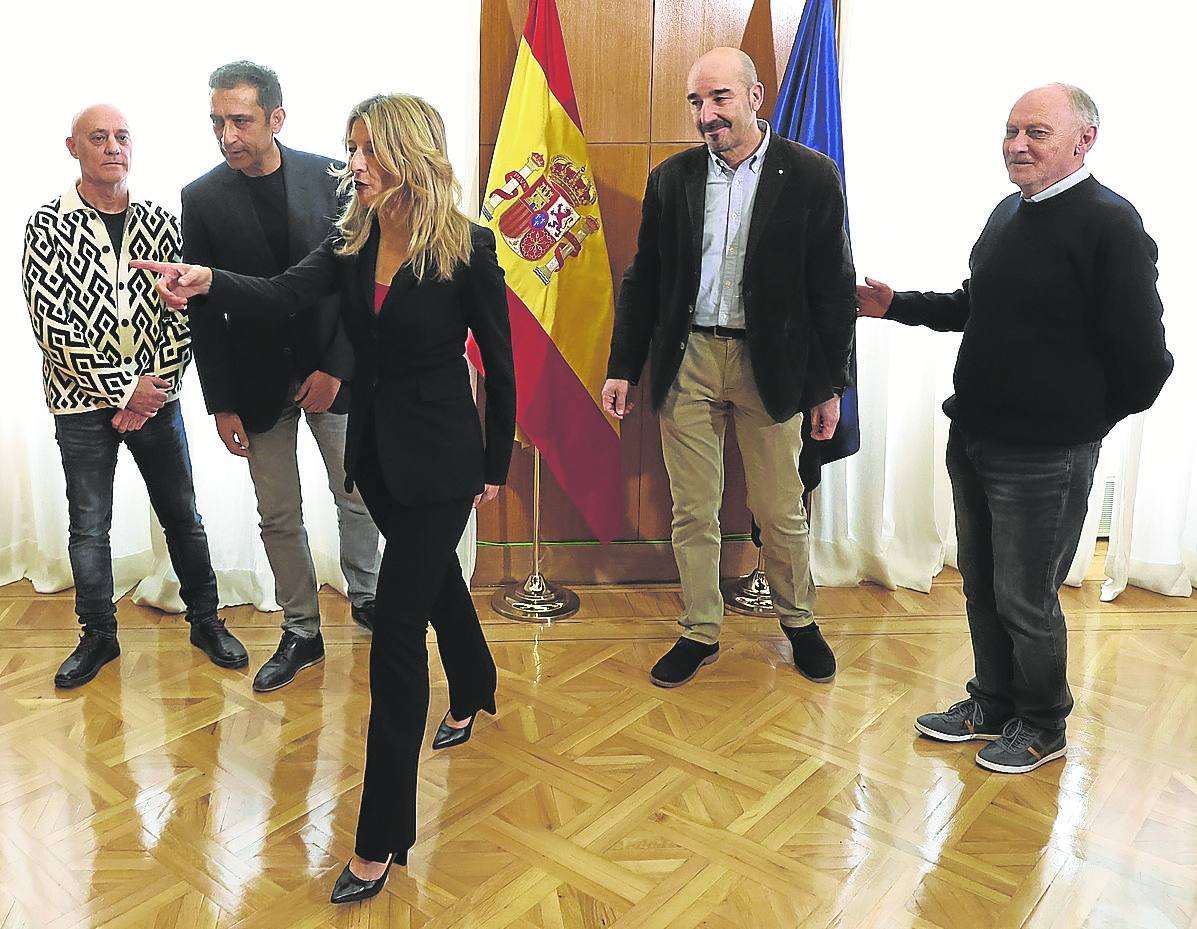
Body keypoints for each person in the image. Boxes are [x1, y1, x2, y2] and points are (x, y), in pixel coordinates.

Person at [133, 93, 516, 903]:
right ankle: (477, 679)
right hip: (377, 456)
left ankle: (379, 839)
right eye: (350, 149)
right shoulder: (353, 239)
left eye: (366, 150)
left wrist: (494, 466)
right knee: (433, 575)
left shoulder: (467, 248)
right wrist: (205, 280)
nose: (353, 165)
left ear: (407, 154)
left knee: (396, 636)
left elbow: (502, 364)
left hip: (445, 463)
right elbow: (280, 291)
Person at [857, 84, 1173, 774]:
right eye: (1009, 130)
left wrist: (1081, 425)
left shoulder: (1110, 224)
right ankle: (992, 702)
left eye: (1034, 131)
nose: (1015, 144)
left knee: (1025, 598)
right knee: (979, 582)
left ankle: (1041, 722)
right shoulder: (1008, 212)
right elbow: (980, 305)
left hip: (1045, 455)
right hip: (973, 437)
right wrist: (895, 306)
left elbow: (1146, 360)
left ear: (1083, 139)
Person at [602, 47, 856, 688]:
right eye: (695, 101)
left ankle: (799, 622)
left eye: (718, 98)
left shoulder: (811, 176)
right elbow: (645, 279)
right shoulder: (673, 178)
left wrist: (831, 386)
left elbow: (833, 288)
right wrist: (623, 367)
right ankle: (700, 630)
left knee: (778, 507)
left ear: (754, 96)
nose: (706, 114)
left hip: (771, 364)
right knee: (693, 508)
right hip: (687, 357)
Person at [22, 104, 247, 688]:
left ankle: (206, 620)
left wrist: (150, 391)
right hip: (80, 405)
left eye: (122, 137)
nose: (112, 147)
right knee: (88, 526)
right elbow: (54, 327)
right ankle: (98, 636)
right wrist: (124, 388)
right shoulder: (47, 225)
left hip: (157, 398)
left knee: (182, 516)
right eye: (98, 138)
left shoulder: (159, 221)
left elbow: (182, 316)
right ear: (73, 148)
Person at [182, 61, 381, 693]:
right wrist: (220, 401)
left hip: (333, 370)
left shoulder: (334, 177)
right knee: (278, 515)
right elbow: (204, 313)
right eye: (217, 121)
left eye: (239, 120)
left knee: (357, 495)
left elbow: (360, 286)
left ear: (276, 117)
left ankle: (369, 596)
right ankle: (301, 631)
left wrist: (335, 368)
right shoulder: (201, 196)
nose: (226, 135)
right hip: (254, 384)